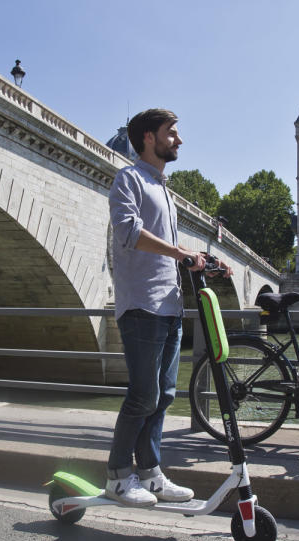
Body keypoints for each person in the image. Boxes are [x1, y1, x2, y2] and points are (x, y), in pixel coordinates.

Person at [106, 108, 230, 507]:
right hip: (141, 305)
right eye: (171, 133)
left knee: (164, 395)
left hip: (170, 306)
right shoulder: (129, 179)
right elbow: (127, 232)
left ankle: (151, 473)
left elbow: (174, 251)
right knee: (142, 395)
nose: (179, 140)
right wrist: (180, 251)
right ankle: (118, 476)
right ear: (148, 138)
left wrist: (208, 260)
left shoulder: (165, 190)